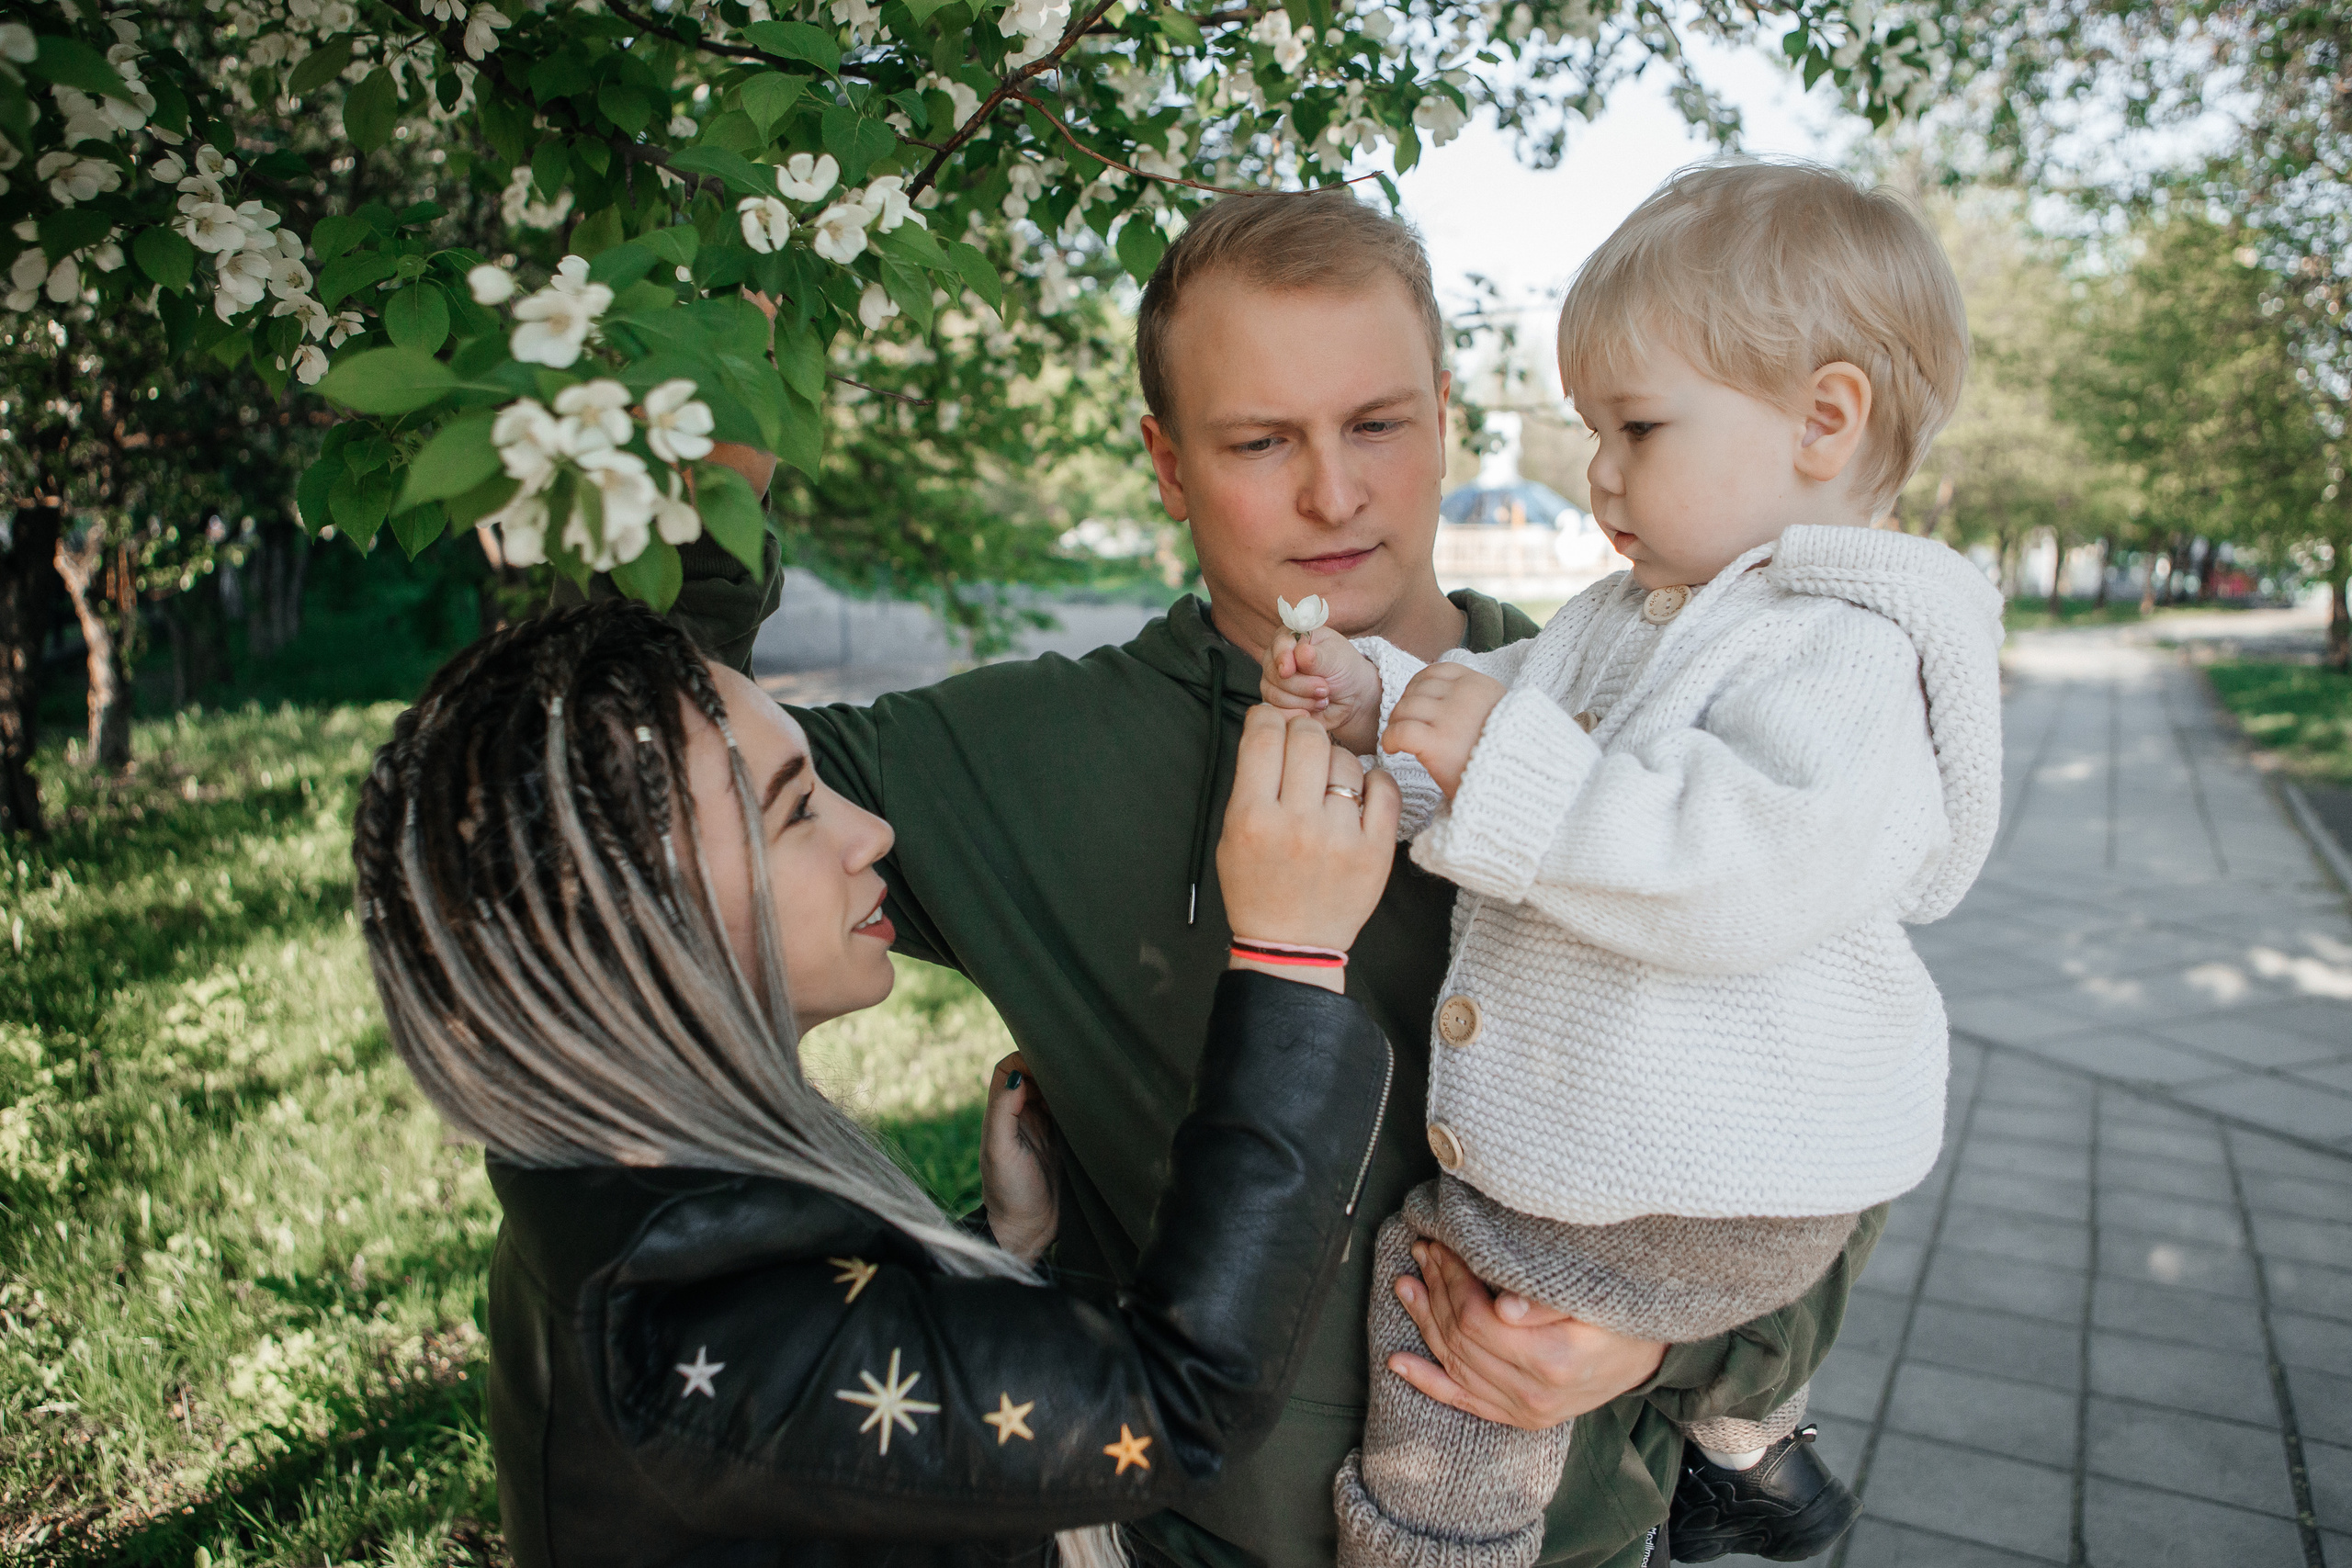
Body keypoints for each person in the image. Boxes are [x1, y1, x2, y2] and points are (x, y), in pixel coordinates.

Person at [594, 187, 1888, 1568]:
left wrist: (1663, 1337)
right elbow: (615, 777)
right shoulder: (1018, 758)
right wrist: (710, 447)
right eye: (1262, 441)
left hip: (1572, 1538)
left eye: (1377, 424)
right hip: (1168, 1533)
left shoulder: (1644, 725)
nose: (1334, 493)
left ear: (1446, 411)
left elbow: (1844, 1089)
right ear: (1165, 461)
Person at [1261, 162, 2004, 1565]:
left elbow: (1737, 861)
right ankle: (1746, 1443)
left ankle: (1442, 1538)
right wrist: (1384, 700)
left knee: (1449, 1305)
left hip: (1714, 1183)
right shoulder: (1643, 608)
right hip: (1681, 1166)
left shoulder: (1848, 652)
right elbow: (1500, 700)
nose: (1596, 472)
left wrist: (1506, 755)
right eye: (1591, 428)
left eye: (1637, 426)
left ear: (1822, 421)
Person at [350, 597, 1411, 1566]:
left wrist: (997, 1253)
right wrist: (1289, 960)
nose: (872, 834)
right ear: (637, 926)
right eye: (797, 811)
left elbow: (850, 1425)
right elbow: (1178, 1404)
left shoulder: (605, 1187)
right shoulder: (691, 1334)